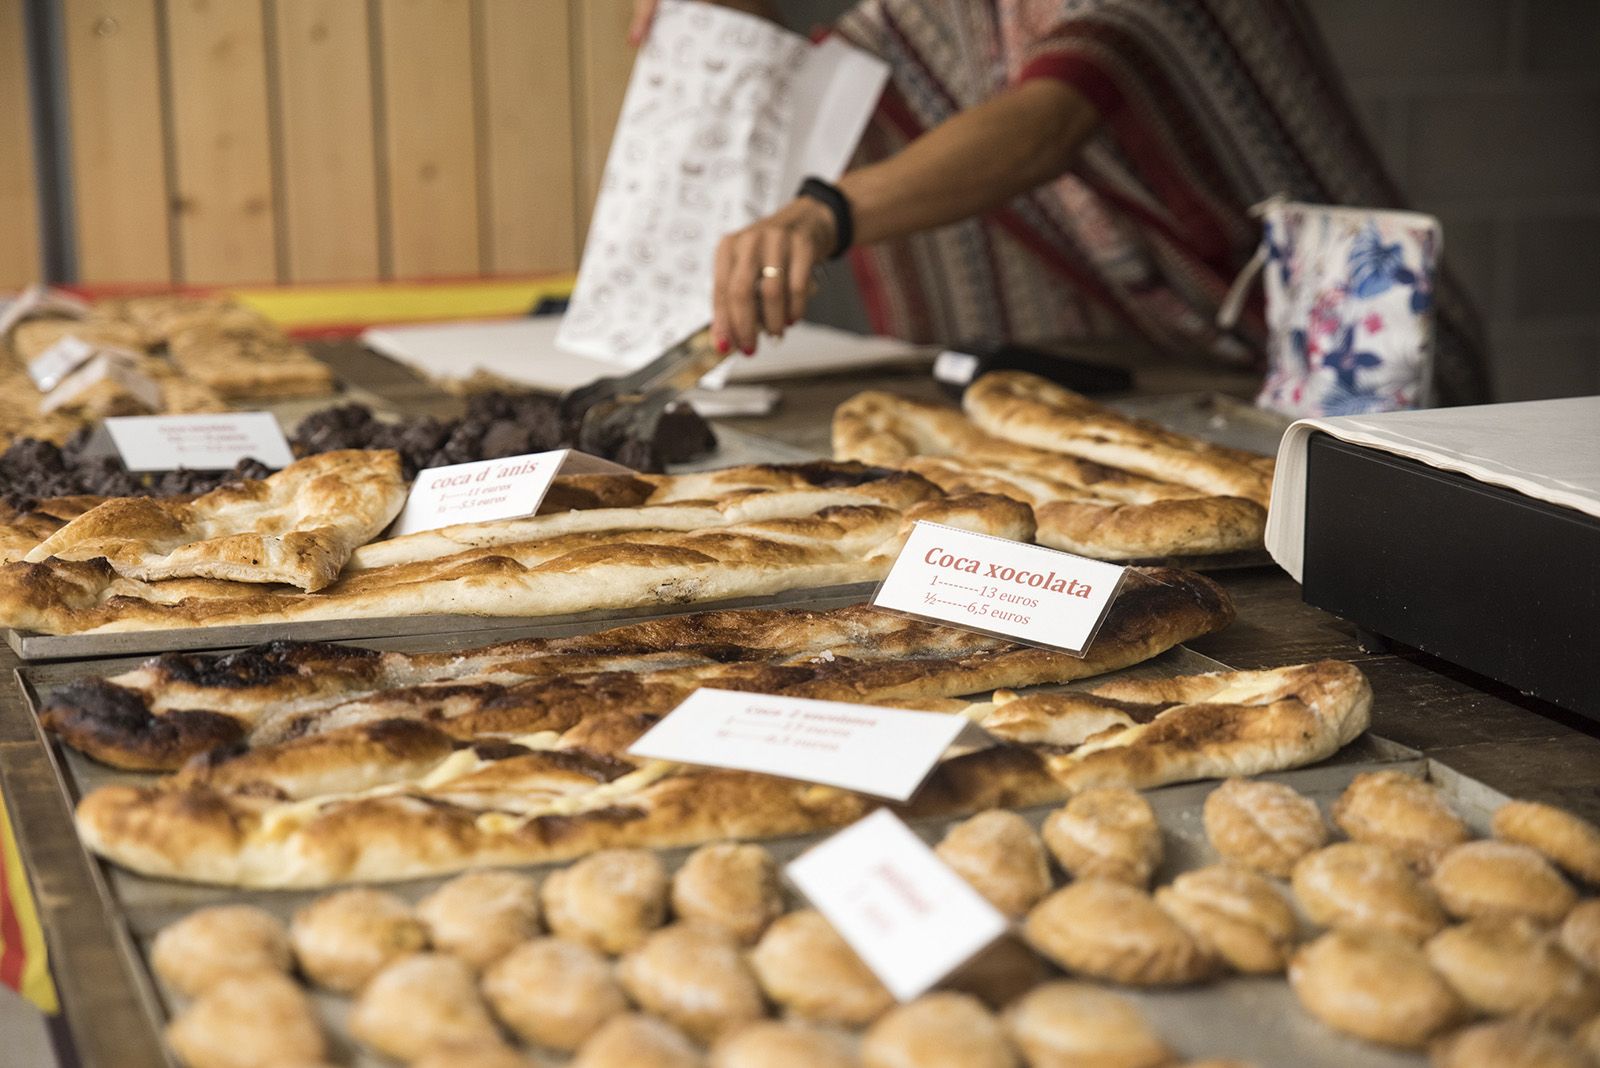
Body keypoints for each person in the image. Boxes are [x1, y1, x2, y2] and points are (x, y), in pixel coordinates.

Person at [629, 0, 1490, 406]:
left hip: (1373, 374)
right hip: (1183, 381)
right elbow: (821, 81)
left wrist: (825, 213)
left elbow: (1048, 119)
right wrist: (723, 24)